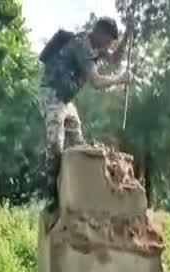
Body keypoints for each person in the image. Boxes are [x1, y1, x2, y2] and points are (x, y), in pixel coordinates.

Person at [38, 17, 134, 210]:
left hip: (66, 101)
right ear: (99, 32)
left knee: (77, 146)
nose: (109, 45)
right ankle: (50, 194)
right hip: (52, 94)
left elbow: (115, 58)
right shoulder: (81, 45)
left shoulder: (97, 47)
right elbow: (96, 82)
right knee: (56, 142)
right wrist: (121, 79)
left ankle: (75, 190)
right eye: (108, 40)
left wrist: (126, 38)